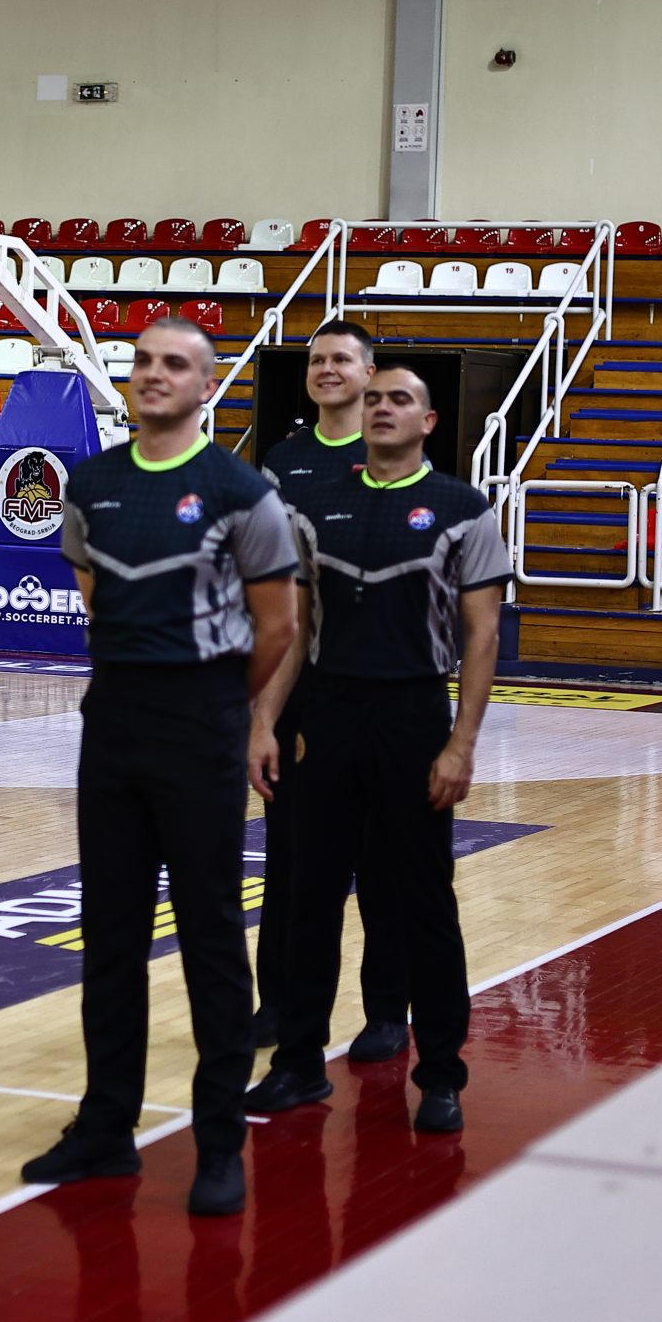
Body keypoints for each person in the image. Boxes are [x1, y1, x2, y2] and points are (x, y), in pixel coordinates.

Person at [25, 315, 298, 1218]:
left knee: (212, 936)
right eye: (143, 360)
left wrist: (221, 707)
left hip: (202, 722)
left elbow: (279, 624)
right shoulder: (94, 484)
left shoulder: (239, 490)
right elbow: (95, 595)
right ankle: (107, 1126)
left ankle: (220, 1141)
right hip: (114, 721)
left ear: (205, 385)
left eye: (174, 364)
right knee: (110, 934)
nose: (153, 374)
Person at [244, 367, 508, 1138]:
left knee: (425, 902)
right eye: (374, 398)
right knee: (309, 899)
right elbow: (295, 627)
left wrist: (461, 743)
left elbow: (483, 636)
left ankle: (442, 1073)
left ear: (429, 421)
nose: (383, 407)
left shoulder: (464, 508)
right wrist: (264, 720)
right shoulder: (314, 507)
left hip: (413, 717)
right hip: (327, 716)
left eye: (400, 399)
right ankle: (299, 1060)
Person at [249, 319, 406, 1059]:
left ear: (369, 374)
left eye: (342, 358)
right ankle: (277, 1005)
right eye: (317, 360)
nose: (327, 369)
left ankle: (386, 1012)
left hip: (374, 683)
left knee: (378, 862)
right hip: (297, 682)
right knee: (289, 858)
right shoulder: (282, 460)